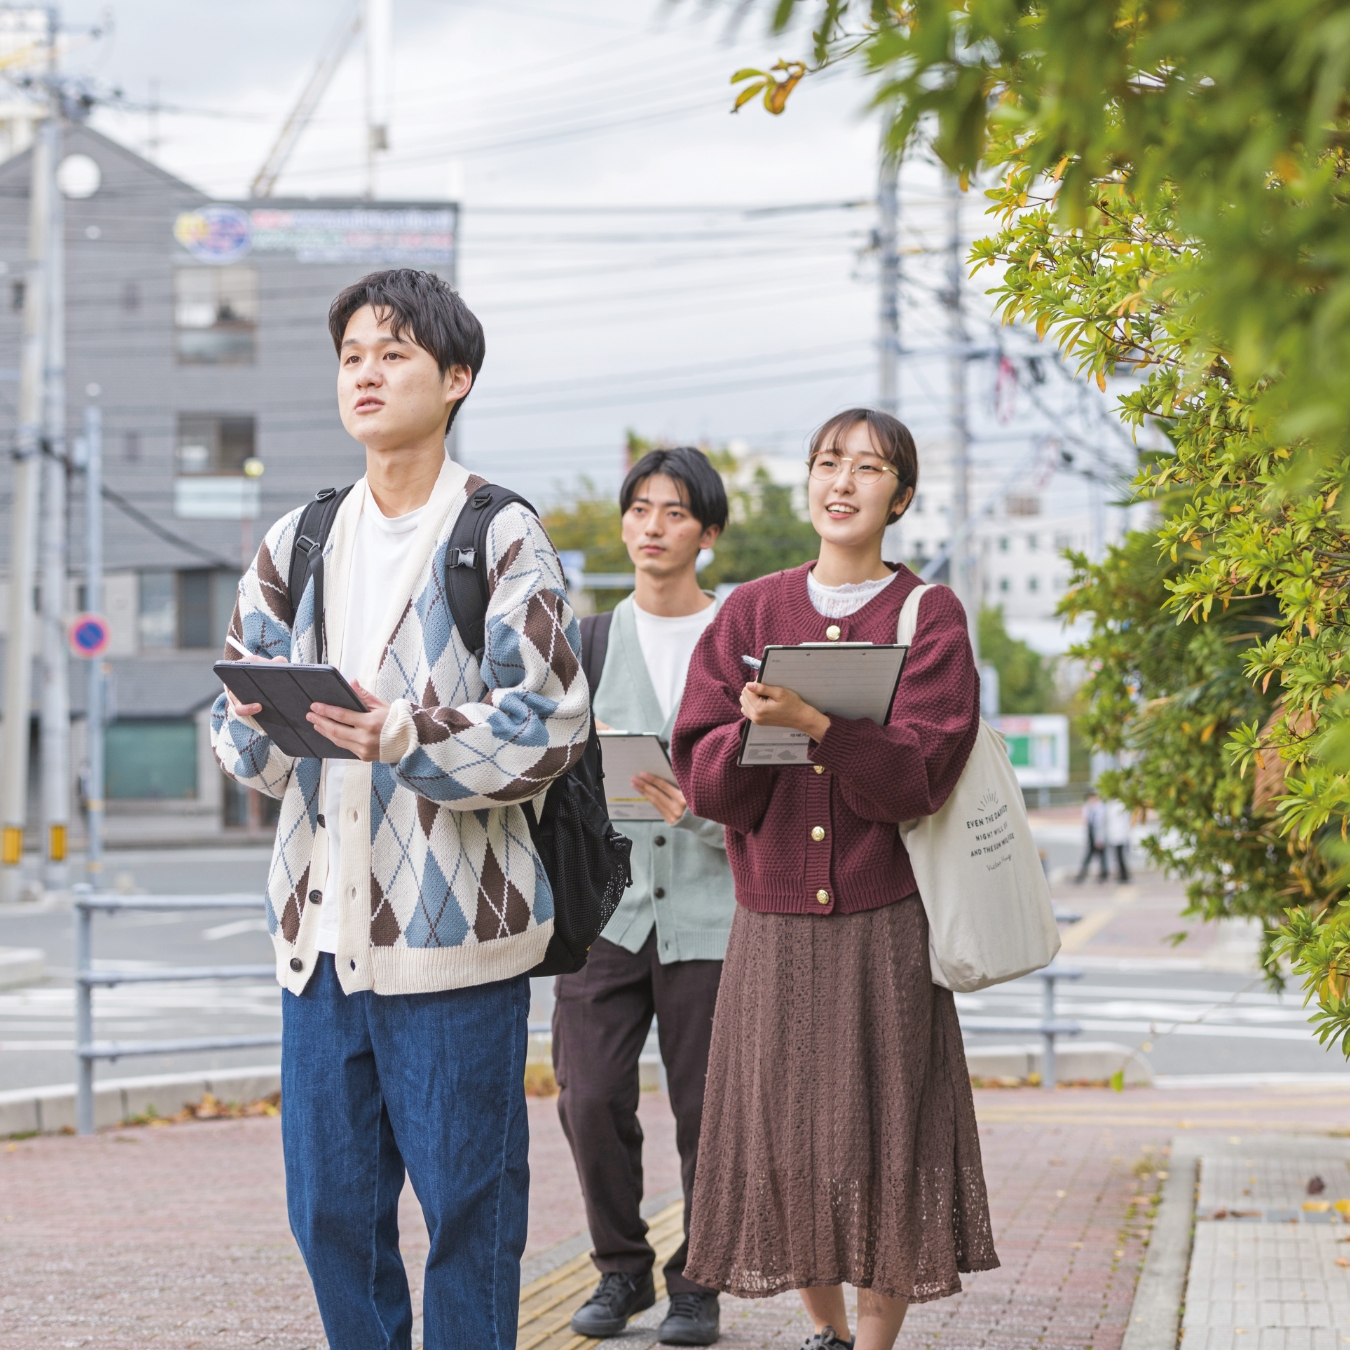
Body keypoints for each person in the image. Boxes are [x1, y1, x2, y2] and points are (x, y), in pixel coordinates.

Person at [210, 269, 589, 1350]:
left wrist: (405, 736)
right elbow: (239, 728)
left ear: (455, 377)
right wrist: (259, 722)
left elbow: (550, 721)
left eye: (394, 353)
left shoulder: (500, 535)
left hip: (453, 948)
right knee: (331, 1216)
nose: (366, 374)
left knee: (471, 1213)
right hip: (317, 949)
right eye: (351, 357)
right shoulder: (299, 538)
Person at [671, 408, 999, 1350]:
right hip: (769, 918)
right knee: (785, 1135)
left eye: (869, 467)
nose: (842, 482)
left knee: (888, 1133)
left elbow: (921, 777)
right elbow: (705, 781)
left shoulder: (928, 615)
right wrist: (752, 728)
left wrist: (823, 726)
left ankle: (876, 1341)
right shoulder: (748, 612)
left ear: (901, 495)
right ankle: (824, 1332)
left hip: (886, 915)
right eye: (827, 462)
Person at [556, 447, 734, 1348]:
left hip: (716, 908)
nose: (652, 527)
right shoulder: (586, 641)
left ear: (707, 533)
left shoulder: (741, 639)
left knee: (711, 1109)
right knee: (588, 1094)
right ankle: (620, 1269)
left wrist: (703, 805)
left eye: (673, 513)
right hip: (606, 908)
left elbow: (776, 778)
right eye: (639, 509)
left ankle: (698, 1282)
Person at [1076, 790, 1108, 884]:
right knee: (1088, 857)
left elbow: (1101, 825)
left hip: (1098, 837)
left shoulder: (1100, 808)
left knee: (1101, 858)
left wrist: (1100, 839)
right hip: (1091, 836)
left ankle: (1103, 875)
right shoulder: (1087, 807)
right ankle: (1082, 876)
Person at [1102, 795, 1132, 883]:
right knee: (1117, 857)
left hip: (1121, 835)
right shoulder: (1109, 805)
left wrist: (1127, 834)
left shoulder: (1120, 804)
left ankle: (1124, 875)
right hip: (1113, 835)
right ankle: (1121, 874)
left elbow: (1126, 820)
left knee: (1121, 856)